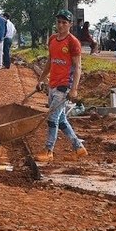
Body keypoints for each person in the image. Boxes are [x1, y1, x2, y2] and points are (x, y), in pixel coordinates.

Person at [34, 9, 88, 163]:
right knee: (62, 120)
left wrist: (74, 89)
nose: (61, 25)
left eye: (64, 22)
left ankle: (49, 150)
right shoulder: (52, 39)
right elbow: (50, 62)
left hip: (64, 86)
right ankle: (79, 148)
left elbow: (78, 67)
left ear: (70, 24)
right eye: (59, 22)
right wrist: (41, 79)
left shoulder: (73, 42)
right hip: (53, 84)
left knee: (52, 118)